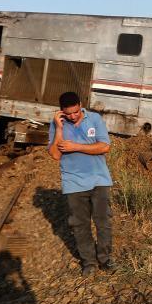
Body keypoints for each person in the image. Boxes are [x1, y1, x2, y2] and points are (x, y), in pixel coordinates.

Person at [48, 92, 113, 276]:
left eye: (76, 112)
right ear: (61, 112)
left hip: (99, 179)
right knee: (80, 225)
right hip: (74, 182)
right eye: (68, 114)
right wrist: (59, 129)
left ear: (81, 105)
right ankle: (89, 263)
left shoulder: (94, 119)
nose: (73, 116)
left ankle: (105, 259)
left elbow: (104, 146)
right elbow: (54, 154)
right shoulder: (57, 124)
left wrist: (76, 147)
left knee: (103, 222)